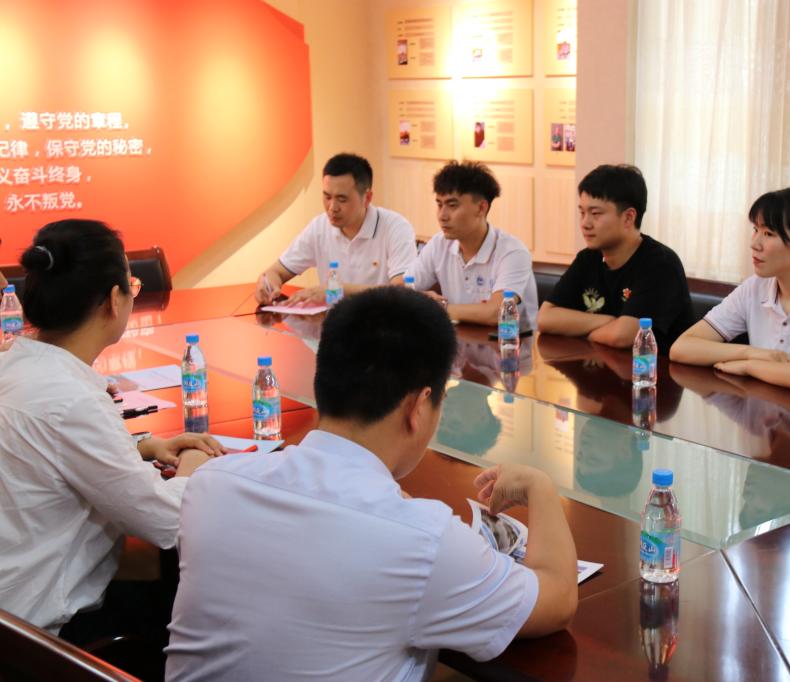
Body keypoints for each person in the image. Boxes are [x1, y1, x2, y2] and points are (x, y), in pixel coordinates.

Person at [165, 287, 577, 681]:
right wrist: (541, 487)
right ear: (418, 407)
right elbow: (556, 601)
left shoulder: (211, 487)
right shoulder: (425, 542)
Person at [0, 219, 223, 637]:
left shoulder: (12, 363)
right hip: (35, 630)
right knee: (190, 591)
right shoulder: (72, 400)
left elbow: (46, 448)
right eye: (131, 286)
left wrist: (142, 445)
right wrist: (195, 464)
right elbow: (167, 521)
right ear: (113, 300)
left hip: (12, 599)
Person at [670, 187, 790, 395]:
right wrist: (752, 353)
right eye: (755, 230)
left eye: (768, 234)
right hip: (767, 406)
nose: (754, 244)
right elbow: (682, 348)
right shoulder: (755, 288)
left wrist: (749, 367)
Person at [537, 164, 695, 351]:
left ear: (628, 217)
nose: (585, 223)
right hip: (600, 363)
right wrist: (611, 321)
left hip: (651, 368)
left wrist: (581, 332)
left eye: (595, 214)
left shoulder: (661, 264)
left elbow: (623, 336)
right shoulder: (588, 258)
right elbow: (545, 318)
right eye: (582, 213)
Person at [256, 153, 418, 305]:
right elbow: (276, 271)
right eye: (327, 197)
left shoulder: (396, 228)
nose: (332, 208)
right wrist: (267, 284)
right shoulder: (319, 227)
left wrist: (337, 290)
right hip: (334, 322)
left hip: (381, 322)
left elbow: (402, 291)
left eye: (342, 199)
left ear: (367, 198)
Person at [406, 160, 539, 329]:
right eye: (439, 204)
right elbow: (403, 293)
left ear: (481, 208)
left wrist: (436, 308)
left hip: (509, 343)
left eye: (452, 205)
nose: (442, 216)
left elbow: (497, 312)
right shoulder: (438, 244)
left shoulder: (513, 252)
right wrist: (418, 300)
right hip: (457, 341)